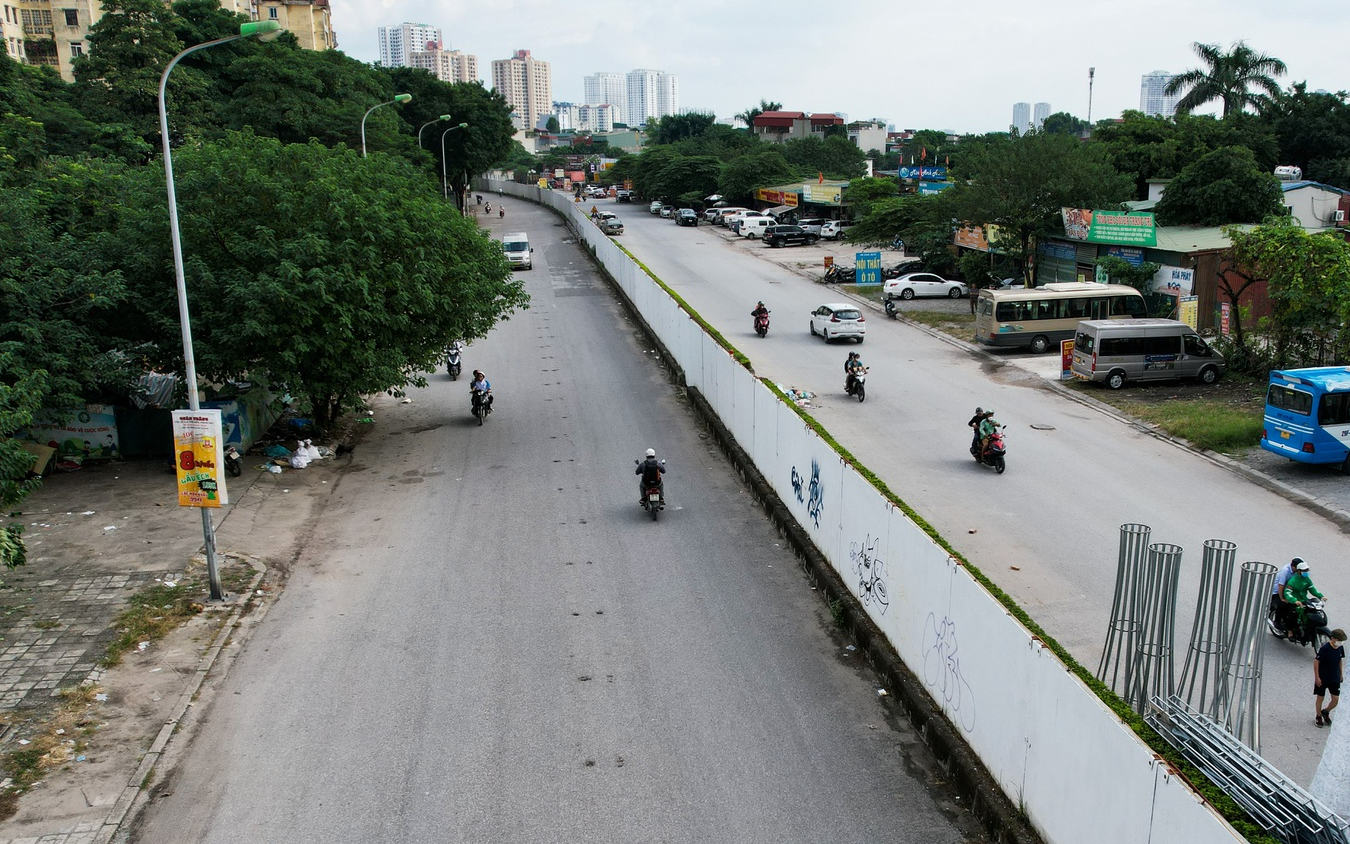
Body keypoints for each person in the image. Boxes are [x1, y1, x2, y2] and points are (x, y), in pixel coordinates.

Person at [1281, 558, 1325, 640]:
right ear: (1299, 571)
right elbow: (1287, 593)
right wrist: (1295, 601)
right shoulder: (1293, 581)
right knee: (1293, 613)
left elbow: (1312, 589)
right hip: (1294, 601)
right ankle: (1290, 631)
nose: (1306, 572)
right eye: (1304, 570)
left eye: (1307, 570)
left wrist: (1321, 596)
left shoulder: (1307, 579)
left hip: (1304, 600)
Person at [1315, 628, 1345, 727]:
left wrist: (1340, 674)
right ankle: (1318, 716)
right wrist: (1317, 677)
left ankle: (1326, 711)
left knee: (1335, 699)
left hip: (1334, 677)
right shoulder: (1325, 648)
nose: (1340, 642)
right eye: (1339, 640)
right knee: (1320, 698)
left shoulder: (1340, 648)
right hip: (1323, 677)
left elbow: (1339, 660)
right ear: (1333, 638)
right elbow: (1316, 661)